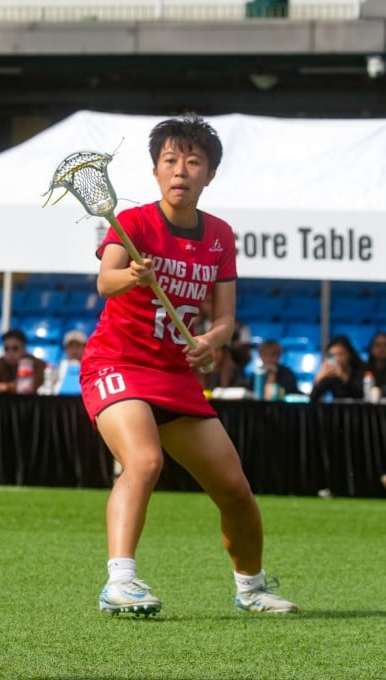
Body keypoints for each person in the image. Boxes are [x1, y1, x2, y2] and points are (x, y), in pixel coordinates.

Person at [78, 113, 297, 617]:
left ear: (209, 175)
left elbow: (224, 319)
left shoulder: (220, 236)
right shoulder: (131, 224)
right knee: (145, 461)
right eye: (170, 160)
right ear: (156, 170)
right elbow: (105, 282)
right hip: (117, 362)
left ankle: (252, 588)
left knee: (235, 489)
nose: (181, 170)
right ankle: (120, 581)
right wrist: (132, 274)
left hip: (175, 374)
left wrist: (211, 342)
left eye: (193, 161)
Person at [0, 328, 47, 394]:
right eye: (6, 349)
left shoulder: (36, 364)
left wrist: (6, 387)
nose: (10, 353)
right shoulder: (2, 363)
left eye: (15, 348)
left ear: (24, 348)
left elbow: (32, 386)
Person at [309, 334, 365, 402]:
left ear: (349, 354)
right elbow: (313, 399)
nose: (337, 359)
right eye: (332, 356)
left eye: (340, 354)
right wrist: (318, 379)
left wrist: (343, 377)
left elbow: (359, 396)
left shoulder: (359, 370)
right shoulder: (330, 373)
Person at [54, 329, 86, 394]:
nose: (74, 350)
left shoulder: (91, 367)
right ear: (65, 349)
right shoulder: (59, 367)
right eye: (71, 346)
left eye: (78, 346)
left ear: (85, 347)